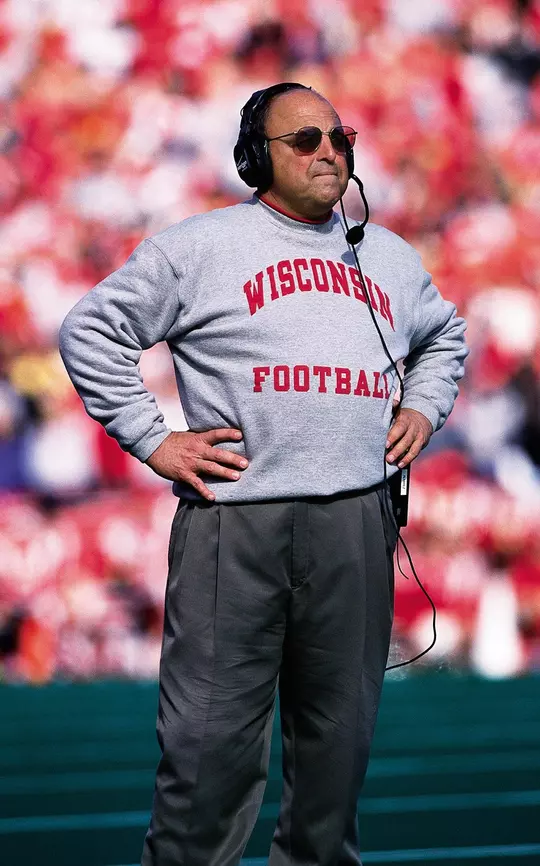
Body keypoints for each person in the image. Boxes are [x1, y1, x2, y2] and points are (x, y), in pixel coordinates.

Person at [59, 82, 468, 866]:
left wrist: (423, 406)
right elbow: (91, 332)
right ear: (255, 159)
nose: (328, 152)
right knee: (207, 761)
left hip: (356, 519)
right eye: (305, 140)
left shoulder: (387, 254)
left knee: (335, 760)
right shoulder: (201, 245)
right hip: (233, 524)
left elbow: (443, 336)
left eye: (339, 137)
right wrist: (155, 440)